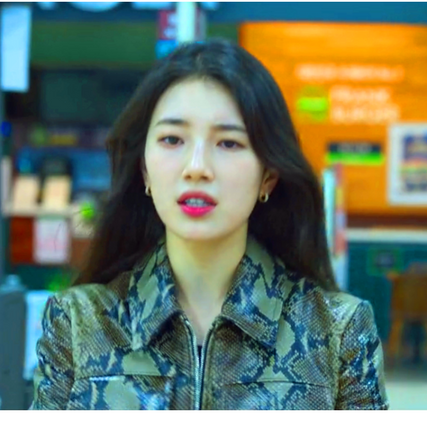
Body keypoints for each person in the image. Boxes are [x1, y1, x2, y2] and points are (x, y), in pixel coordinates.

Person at [31, 39, 389, 410]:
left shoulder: (338, 332)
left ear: (268, 176)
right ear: (144, 170)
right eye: (172, 139)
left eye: (229, 143)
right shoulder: (79, 323)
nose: (197, 167)